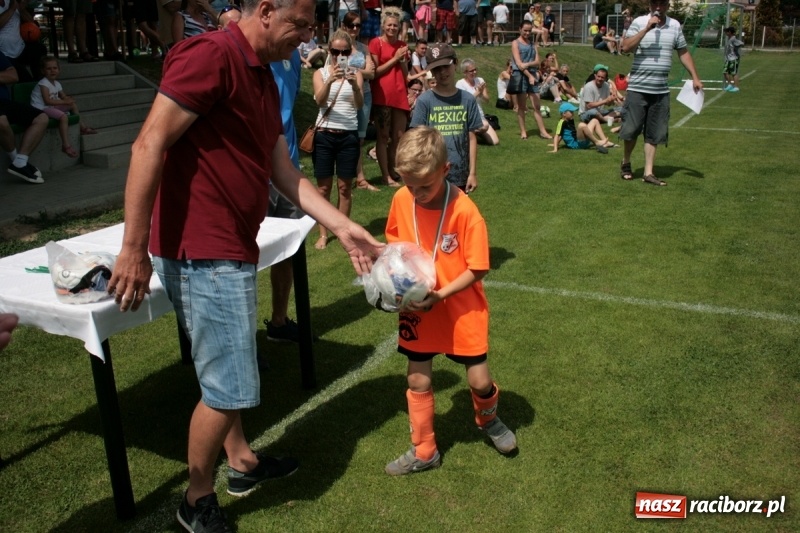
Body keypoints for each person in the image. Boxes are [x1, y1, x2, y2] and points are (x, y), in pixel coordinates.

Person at [107, 2, 383, 531]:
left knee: (224, 370)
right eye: (298, 26)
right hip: (201, 249)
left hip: (230, 243)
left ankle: (242, 463)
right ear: (264, 11)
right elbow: (149, 143)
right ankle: (195, 502)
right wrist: (132, 248)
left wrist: (343, 227)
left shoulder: (264, 75)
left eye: (311, 30)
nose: (305, 40)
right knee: (230, 383)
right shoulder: (211, 55)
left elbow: (283, 169)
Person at [383, 126, 517, 476]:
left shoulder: (465, 211)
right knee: (418, 380)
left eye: (424, 186)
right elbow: (395, 243)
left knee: (478, 382)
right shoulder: (402, 199)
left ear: (446, 170)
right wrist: (397, 282)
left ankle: (488, 420)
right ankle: (424, 449)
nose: (416, 194)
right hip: (419, 310)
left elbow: (478, 268)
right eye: (408, 185)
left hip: (461, 309)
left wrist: (440, 294)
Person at [619, 0, 702, 185]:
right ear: (650, 5)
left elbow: (683, 52)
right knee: (631, 130)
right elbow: (625, 47)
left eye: (662, 4)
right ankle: (626, 162)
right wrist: (647, 29)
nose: (659, 7)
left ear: (667, 6)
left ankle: (648, 172)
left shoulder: (675, 25)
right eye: (655, 3)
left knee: (654, 132)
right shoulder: (640, 22)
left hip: (660, 90)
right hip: (638, 88)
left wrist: (695, 76)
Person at [265, 48, 304, 346]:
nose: (307, 35)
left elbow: (288, 108)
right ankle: (241, 341)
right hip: (255, 174)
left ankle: (279, 321)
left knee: (288, 251)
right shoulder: (248, 53)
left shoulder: (292, 56)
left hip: (289, 169)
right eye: (300, 24)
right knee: (242, 259)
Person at [311, 30, 364, 250]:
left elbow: (359, 105)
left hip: (348, 135)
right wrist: (331, 79)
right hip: (325, 134)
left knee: (344, 187)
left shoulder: (355, 74)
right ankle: (323, 234)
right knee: (323, 189)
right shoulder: (320, 74)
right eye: (335, 51)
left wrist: (353, 85)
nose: (339, 55)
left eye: (344, 51)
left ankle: (344, 233)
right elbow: (320, 101)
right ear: (329, 51)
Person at [410, 43, 482, 193]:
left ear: (455, 64)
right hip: (431, 174)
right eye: (436, 69)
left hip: (460, 174)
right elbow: (417, 140)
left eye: (445, 66)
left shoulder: (468, 100)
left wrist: (473, 173)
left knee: (458, 215)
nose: (442, 72)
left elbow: (472, 137)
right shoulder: (425, 101)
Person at [369, 7, 409, 188]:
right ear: (383, 26)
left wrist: (402, 60)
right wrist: (394, 59)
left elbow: (406, 73)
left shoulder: (402, 45)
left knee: (399, 137)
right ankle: (386, 175)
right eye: (389, 25)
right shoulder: (376, 43)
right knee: (383, 136)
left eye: (395, 26)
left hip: (399, 93)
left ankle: (394, 169)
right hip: (382, 95)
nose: (392, 28)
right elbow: (375, 72)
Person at [30, 56, 97, 159]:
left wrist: (68, 99)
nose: (52, 71)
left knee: (72, 105)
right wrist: (64, 101)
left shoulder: (57, 83)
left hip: (50, 107)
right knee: (63, 117)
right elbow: (47, 101)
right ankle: (66, 145)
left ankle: (82, 127)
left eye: (55, 68)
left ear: (59, 69)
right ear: (43, 71)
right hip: (41, 109)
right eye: (49, 69)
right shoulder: (43, 83)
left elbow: (63, 96)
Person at [342, 11, 379, 192]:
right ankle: (348, 175)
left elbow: (372, 73)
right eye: (351, 25)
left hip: (365, 94)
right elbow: (339, 70)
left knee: (360, 138)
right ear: (344, 27)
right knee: (347, 136)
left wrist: (352, 70)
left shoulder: (364, 48)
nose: (355, 28)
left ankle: (361, 177)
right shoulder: (339, 47)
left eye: (358, 25)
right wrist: (360, 70)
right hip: (345, 96)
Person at [0, 50, 47, 184]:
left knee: (41, 118)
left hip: (4, 102)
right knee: (1, 121)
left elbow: (13, 76)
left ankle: (20, 160)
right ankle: (18, 162)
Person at [508, 20, 550, 140]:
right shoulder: (515, 43)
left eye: (529, 31)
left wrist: (527, 65)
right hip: (521, 76)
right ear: (520, 29)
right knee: (522, 106)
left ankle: (543, 132)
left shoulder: (532, 44)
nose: (527, 33)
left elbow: (537, 62)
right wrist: (529, 74)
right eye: (525, 30)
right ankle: (523, 132)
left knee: (536, 106)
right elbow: (518, 64)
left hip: (531, 74)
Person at [0, 0, 47, 80]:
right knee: (25, 79)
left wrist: (21, 9)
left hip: (20, 48)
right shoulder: (12, 6)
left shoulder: (11, 2)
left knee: (39, 49)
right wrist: (11, 9)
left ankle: (42, 82)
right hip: (3, 54)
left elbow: (31, 22)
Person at [455, 58, 499, 145]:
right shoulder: (460, 84)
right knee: (485, 125)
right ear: (465, 72)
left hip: (480, 115)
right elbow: (465, 103)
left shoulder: (480, 80)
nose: (474, 72)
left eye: (475, 70)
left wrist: (482, 93)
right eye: (471, 71)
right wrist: (477, 92)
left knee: (495, 142)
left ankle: (473, 134)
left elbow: (487, 100)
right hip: (467, 116)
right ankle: (468, 132)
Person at [549, 102, 615, 154]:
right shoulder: (561, 122)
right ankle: (597, 142)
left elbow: (561, 135)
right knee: (581, 125)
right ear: (564, 114)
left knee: (594, 120)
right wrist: (555, 148)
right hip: (576, 145)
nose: (573, 114)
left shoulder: (570, 120)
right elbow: (558, 135)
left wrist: (556, 144)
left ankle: (606, 142)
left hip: (580, 141)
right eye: (571, 112)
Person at [723, 26, 743, 92]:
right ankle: (730, 85)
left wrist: (736, 47)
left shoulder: (733, 39)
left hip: (733, 59)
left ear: (730, 32)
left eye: (727, 31)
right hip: (728, 59)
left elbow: (741, 43)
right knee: (725, 72)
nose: (726, 33)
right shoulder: (729, 39)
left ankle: (736, 87)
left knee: (733, 73)